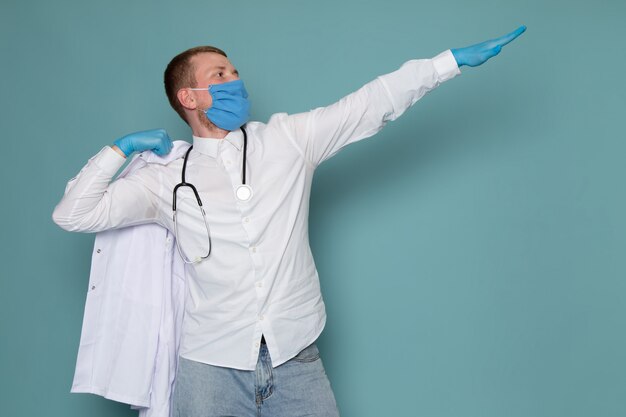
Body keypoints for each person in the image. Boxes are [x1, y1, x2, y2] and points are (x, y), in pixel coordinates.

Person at [52, 25, 526, 417]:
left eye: (235, 71)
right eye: (219, 74)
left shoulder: (286, 140)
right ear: (189, 97)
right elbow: (74, 214)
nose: (235, 81)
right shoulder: (165, 178)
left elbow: (368, 104)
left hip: (296, 354)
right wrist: (121, 150)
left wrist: (445, 64)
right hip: (210, 366)